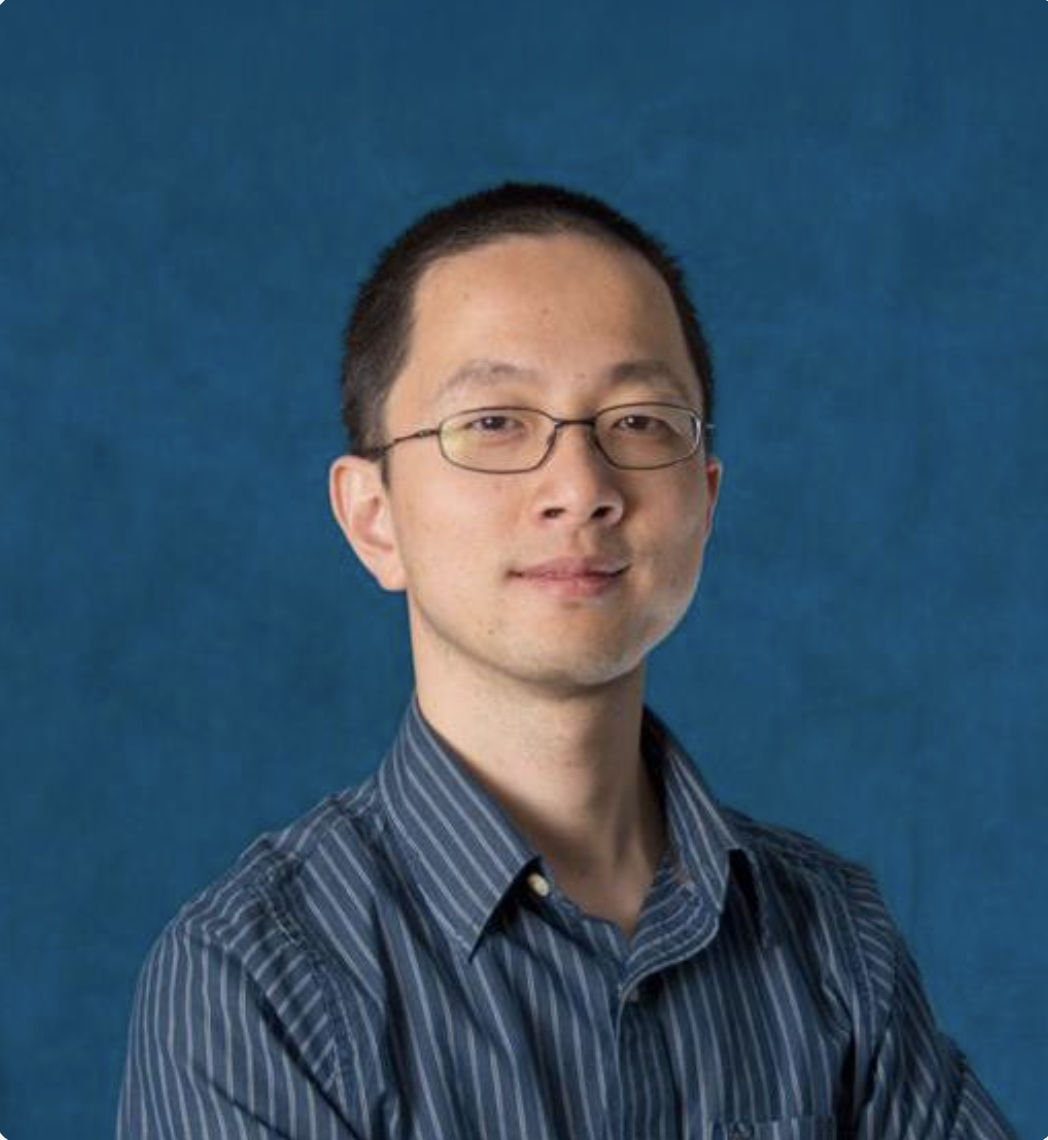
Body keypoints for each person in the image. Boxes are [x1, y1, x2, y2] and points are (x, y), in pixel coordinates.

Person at [116, 182, 1018, 1139]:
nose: (581, 489)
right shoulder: (254, 977)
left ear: (705, 501)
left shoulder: (835, 939)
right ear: (372, 518)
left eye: (638, 422)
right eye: (495, 422)